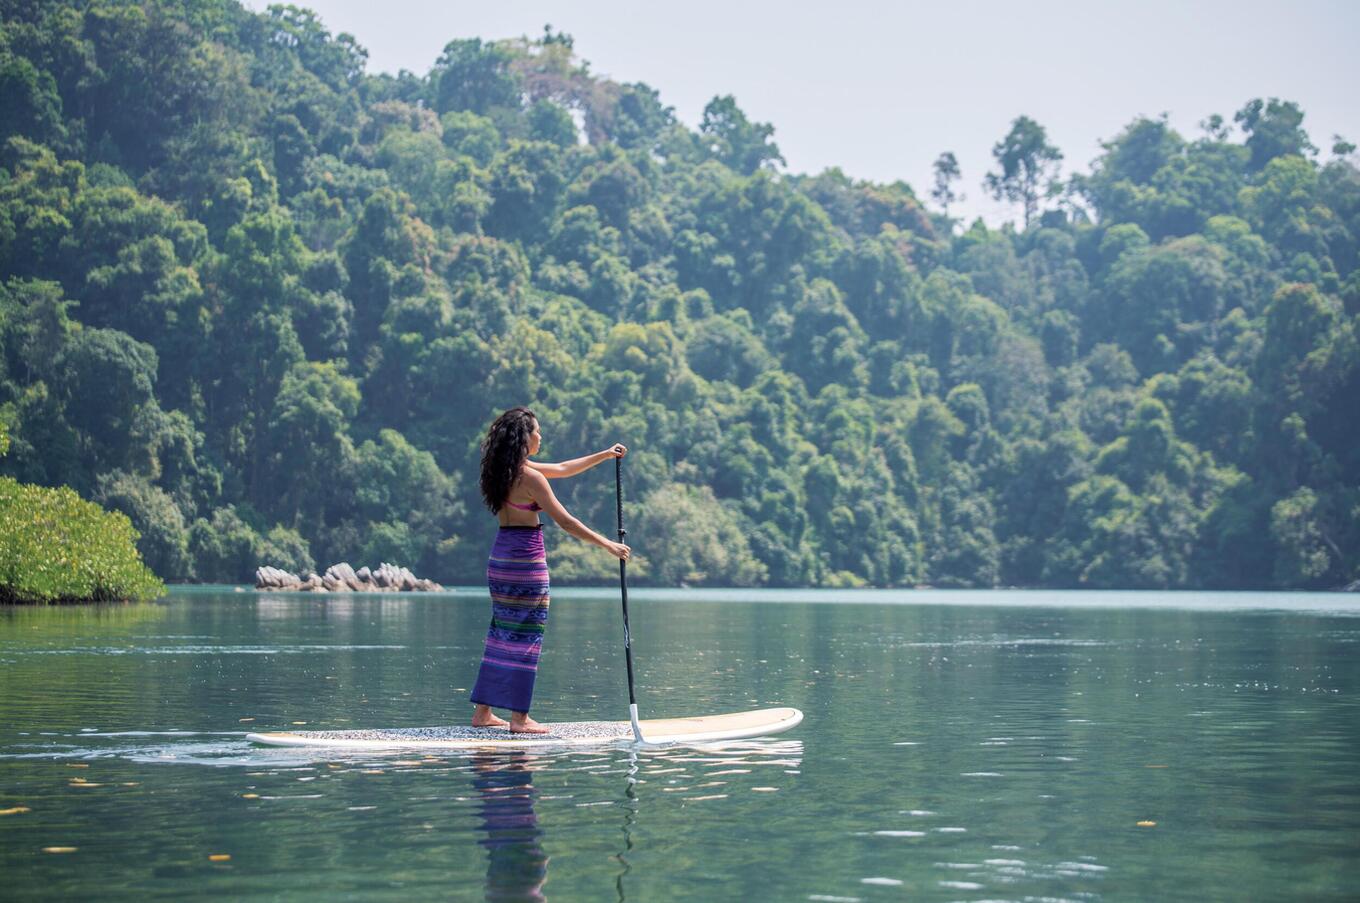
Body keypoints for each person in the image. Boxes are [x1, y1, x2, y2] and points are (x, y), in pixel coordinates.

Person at [470, 406, 631, 733]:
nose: (540, 436)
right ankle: (520, 719)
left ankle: (483, 713)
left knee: (500, 634)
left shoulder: (503, 471)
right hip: (526, 565)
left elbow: (562, 467)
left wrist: (604, 455)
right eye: (537, 431)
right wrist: (609, 546)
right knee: (528, 637)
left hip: (500, 560)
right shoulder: (530, 477)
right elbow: (567, 522)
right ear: (524, 437)